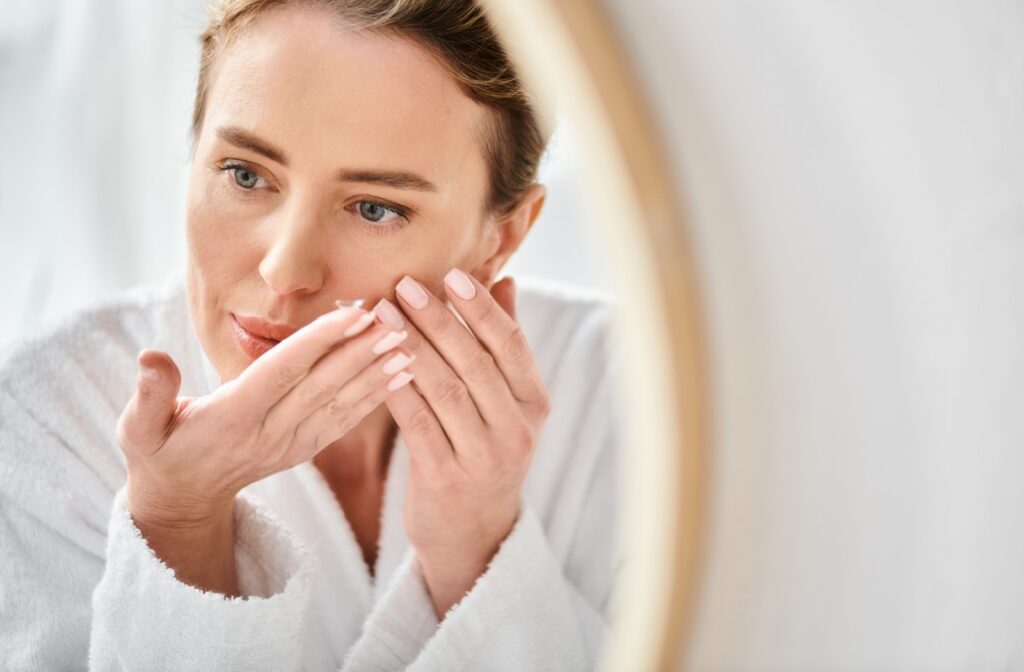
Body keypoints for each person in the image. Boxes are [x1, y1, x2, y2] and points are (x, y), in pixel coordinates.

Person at [0, 1, 623, 669]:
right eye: (245, 174)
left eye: (375, 208)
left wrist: (478, 548)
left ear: (500, 239)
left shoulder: (634, 403)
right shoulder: (45, 416)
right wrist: (178, 527)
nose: (285, 270)